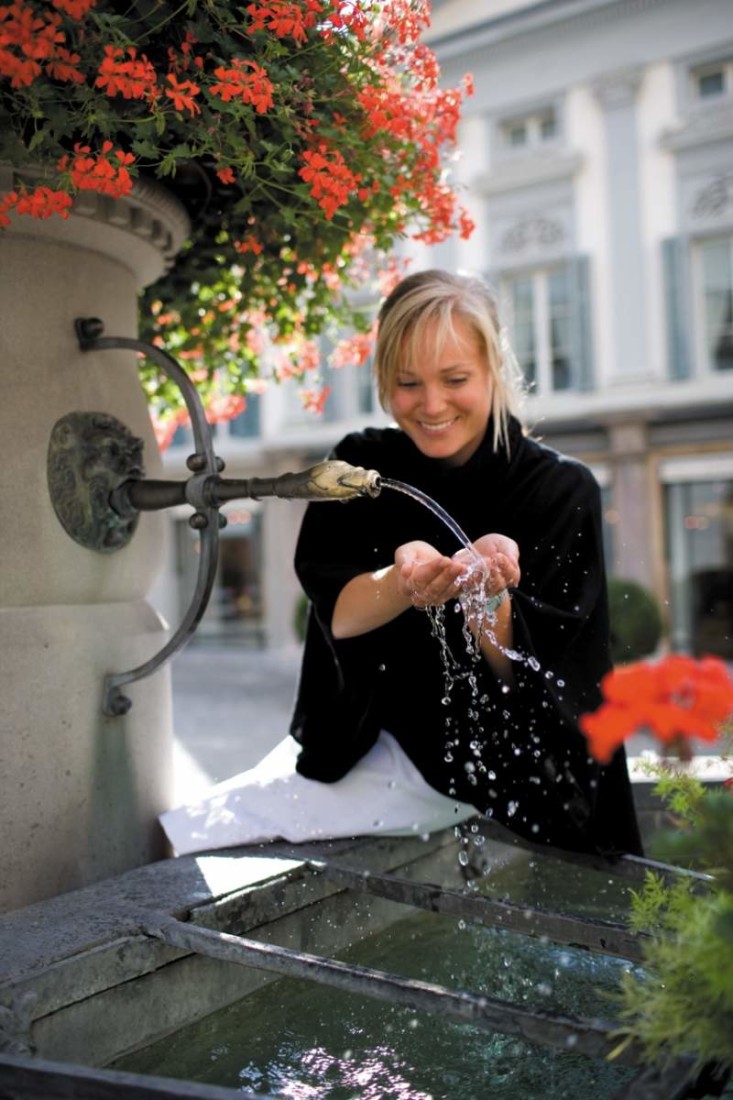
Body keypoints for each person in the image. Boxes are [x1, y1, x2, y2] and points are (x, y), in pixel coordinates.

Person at [160, 269, 642, 859]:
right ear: (383, 379)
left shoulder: (560, 488)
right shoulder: (362, 466)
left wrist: (484, 593)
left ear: (495, 370)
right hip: (366, 745)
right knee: (179, 832)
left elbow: (541, 676)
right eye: (407, 382)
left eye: (456, 378)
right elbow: (337, 611)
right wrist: (403, 581)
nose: (432, 404)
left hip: (504, 771)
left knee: (188, 837)